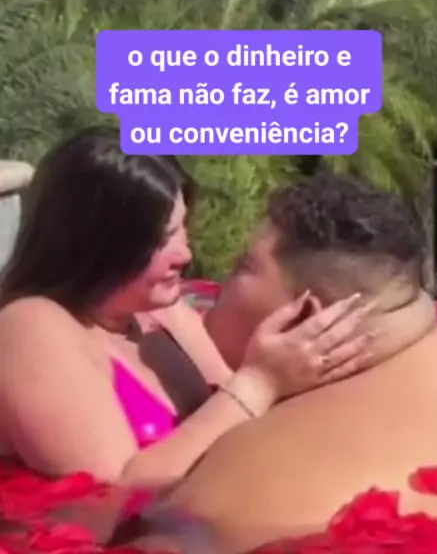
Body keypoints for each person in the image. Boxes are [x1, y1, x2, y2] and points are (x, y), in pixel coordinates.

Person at [0, 127, 373, 494]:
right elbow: (111, 495)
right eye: (160, 240)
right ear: (96, 244)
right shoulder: (32, 328)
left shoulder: (164, 314)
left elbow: (237, 416)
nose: (185, 254)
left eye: (181, 229)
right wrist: (261, 381)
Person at [147, 171, 437, 554]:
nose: (222, 281)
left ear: (306, 315)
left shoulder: (244, 473)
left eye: (244, 266)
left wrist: (256, 383)